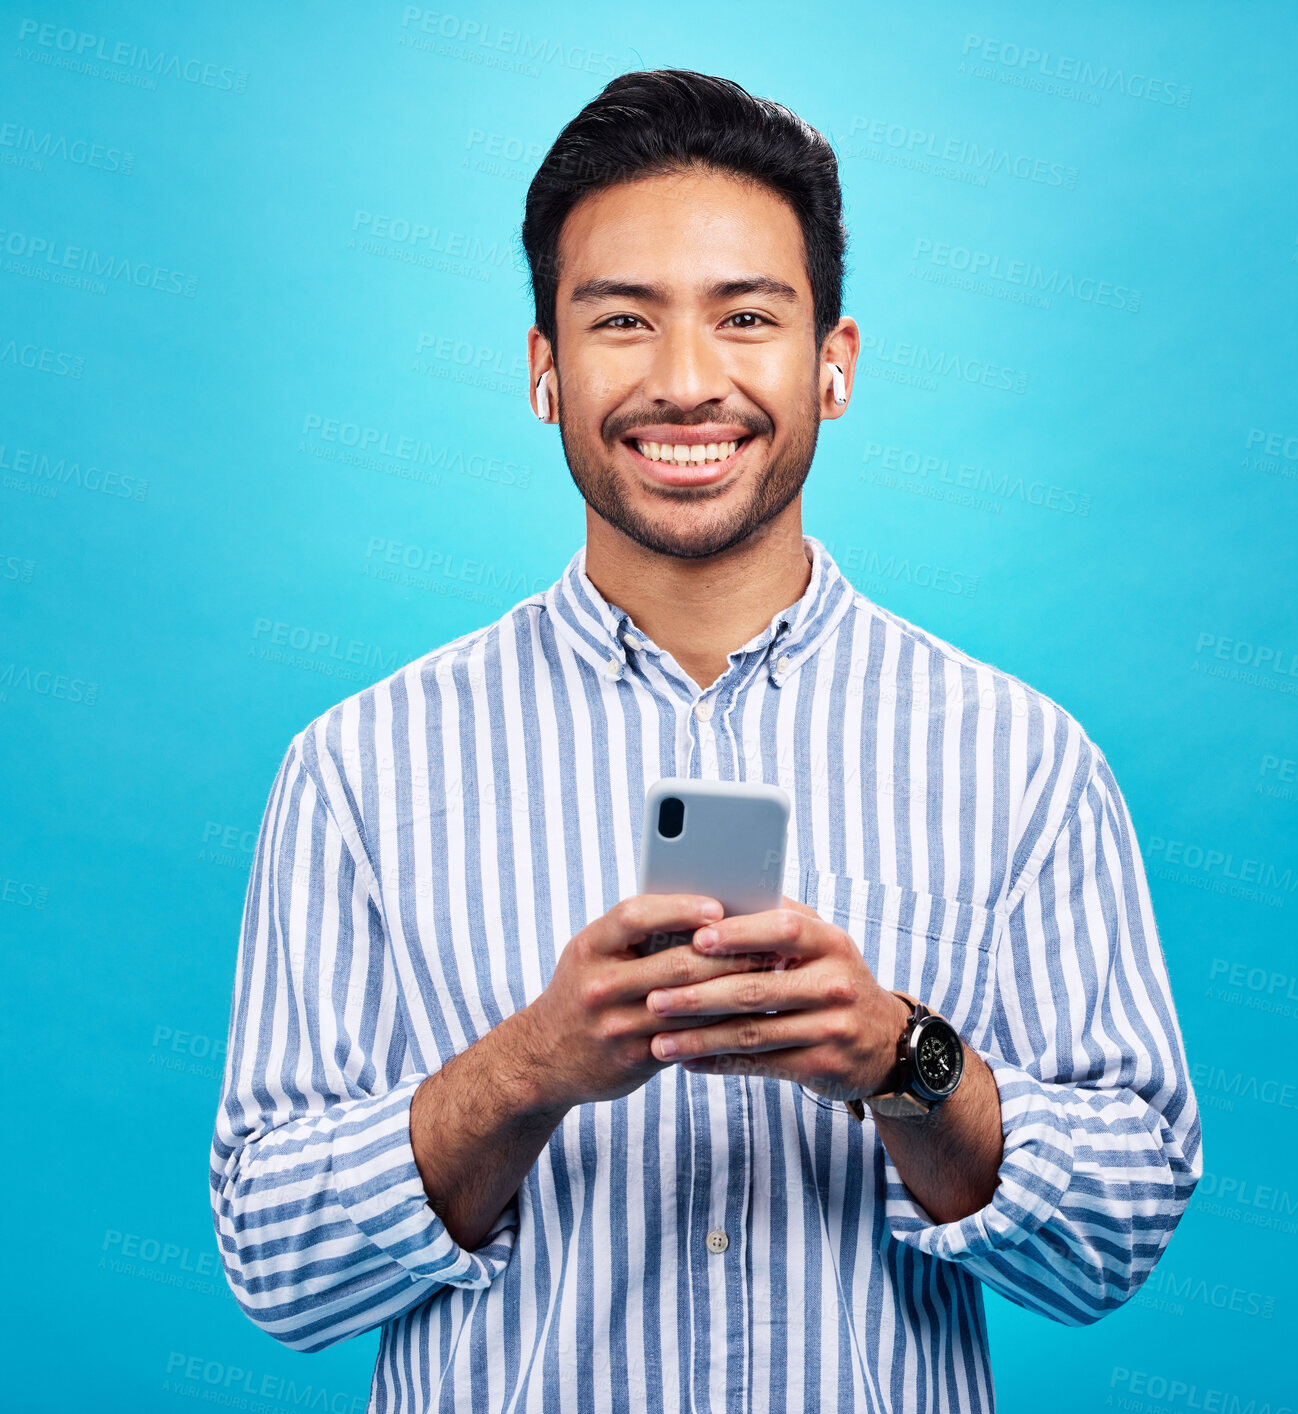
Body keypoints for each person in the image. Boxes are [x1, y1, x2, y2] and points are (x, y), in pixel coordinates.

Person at [210, 68, 1201, 1413]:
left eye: (746, 317)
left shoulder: (1019, 758)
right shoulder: (360, 770)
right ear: (543, 371)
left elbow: (1115, 1244)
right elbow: (274, 1265)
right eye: (622, 320)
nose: (686, 382)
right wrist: (530, 1068)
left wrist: (900, 1060)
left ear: (831, 364)